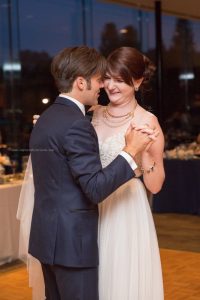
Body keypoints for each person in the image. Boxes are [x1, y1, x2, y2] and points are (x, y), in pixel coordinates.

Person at [17, 46, 156, 300]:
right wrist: (130, 151)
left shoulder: (46, 119)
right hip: (73, 245)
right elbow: (94, 188)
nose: (102, 86)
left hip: (48, 239)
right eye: (97, 80)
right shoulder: (77, 125)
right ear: (81, 82)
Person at [92, 46, 165, 299]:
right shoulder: (93, 114)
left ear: (137, 81)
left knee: (121, 281)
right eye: (108, 77)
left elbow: (155, 185)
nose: (111, 86)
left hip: (126, 211)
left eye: (120, 80)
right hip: (92, 206)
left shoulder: (147, 121)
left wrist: (143, 152)